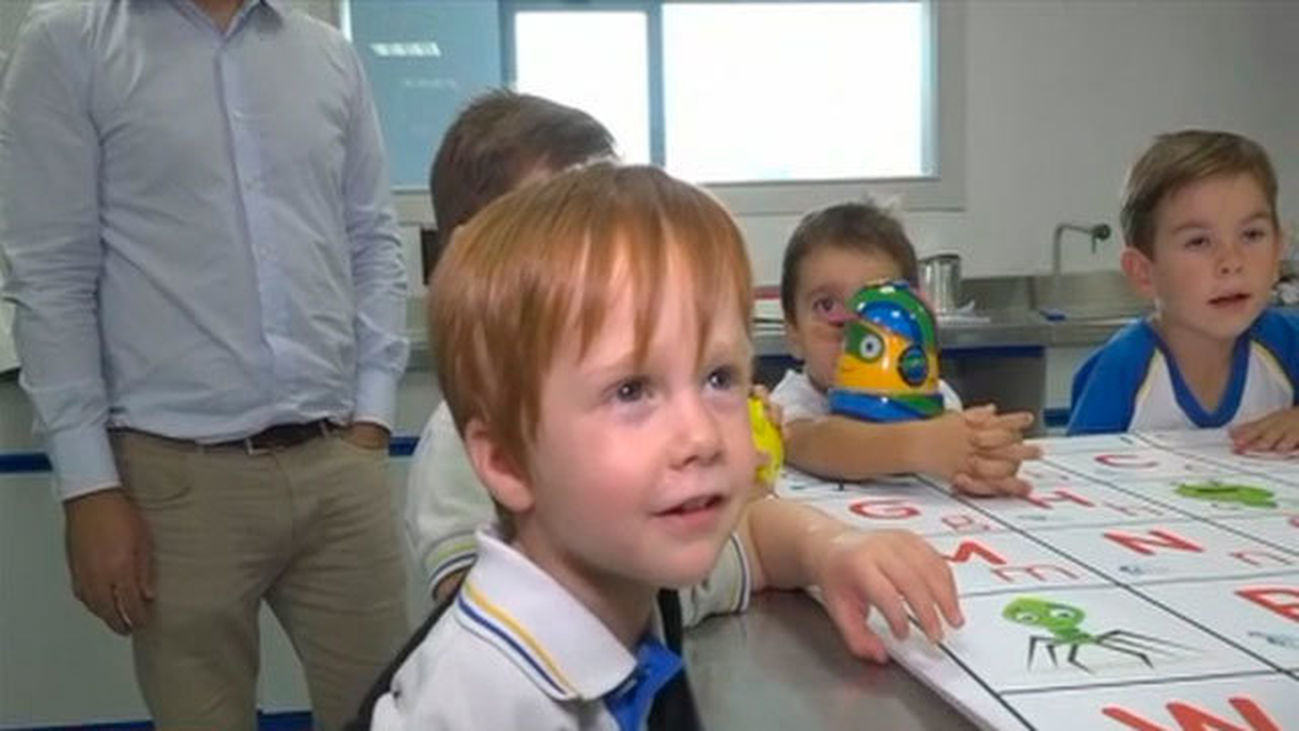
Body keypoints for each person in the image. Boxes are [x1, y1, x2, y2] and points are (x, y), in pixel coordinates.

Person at [367, 163, 962, 729]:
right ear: (506, 460)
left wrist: (832, 550)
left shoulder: (623, 575)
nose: (701, 435)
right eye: (631, 390)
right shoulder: (485, 701)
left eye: (719, 378)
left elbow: (750, 543)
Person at [0, 1, 409, 728]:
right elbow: (51, 280)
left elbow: (372, 240)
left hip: (337, 460)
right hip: (176, 480)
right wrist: (88, 486)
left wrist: (373, 418)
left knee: (392, 714)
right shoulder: (70, 42)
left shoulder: (325, 53)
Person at [773, 201, 1039, 494]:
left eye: (881, 313)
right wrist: (921, 445)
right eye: (827, 305)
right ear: (794, 333)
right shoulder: (789, 402)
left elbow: (956, 443)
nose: (855, 331)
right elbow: (815, 443)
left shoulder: (930, 393)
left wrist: (984, 455)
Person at [1068, 129, 1299, 448]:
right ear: (1144, 273)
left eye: (1251, 235)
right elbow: (1078, 474)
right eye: (1199, 241)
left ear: (1278, 253)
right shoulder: (1123, 368)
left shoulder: (1287, 343)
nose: (1231, 261)